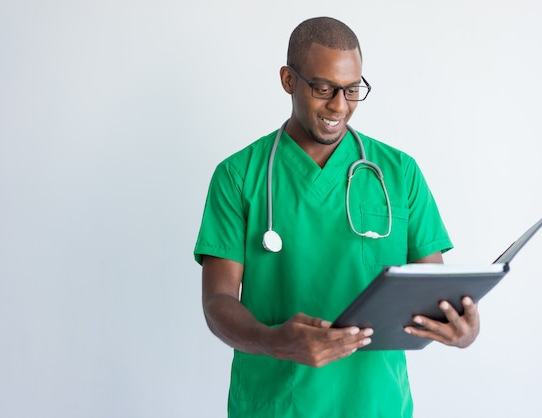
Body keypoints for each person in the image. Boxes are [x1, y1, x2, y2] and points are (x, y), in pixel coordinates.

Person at [194, 16, 480, 418]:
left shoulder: (400, 173)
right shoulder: (239, 175)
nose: (339, 106)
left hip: (377, 402)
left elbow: (432, 291)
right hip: (277, 404)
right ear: (288, 80)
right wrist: (278, 342)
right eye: (323, 88)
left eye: (352, 90)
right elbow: (218, 303)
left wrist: (460, 329)